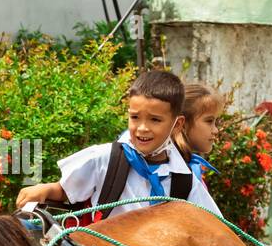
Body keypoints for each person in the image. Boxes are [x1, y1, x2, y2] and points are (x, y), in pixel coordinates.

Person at [15, 68, 221, 219]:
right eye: (135, 118)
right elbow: (66, 190)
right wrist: (46, 190)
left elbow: (214, 227)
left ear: (177, 125)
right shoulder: (105, 159)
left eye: (155, 120)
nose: (142, 128)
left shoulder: (184, 179)